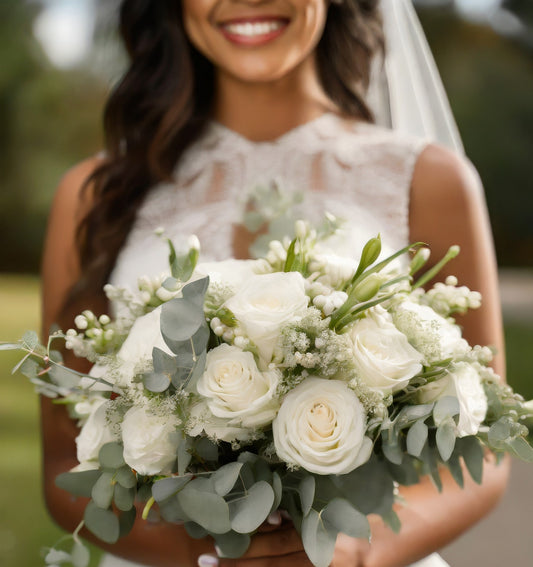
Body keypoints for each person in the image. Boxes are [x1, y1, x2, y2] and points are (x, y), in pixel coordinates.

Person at [40, 1, 509, 566]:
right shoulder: (96, 195)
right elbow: (64, 464)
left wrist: (357, 554)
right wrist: (216, 556)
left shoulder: (429, 179)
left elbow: (484, 439)